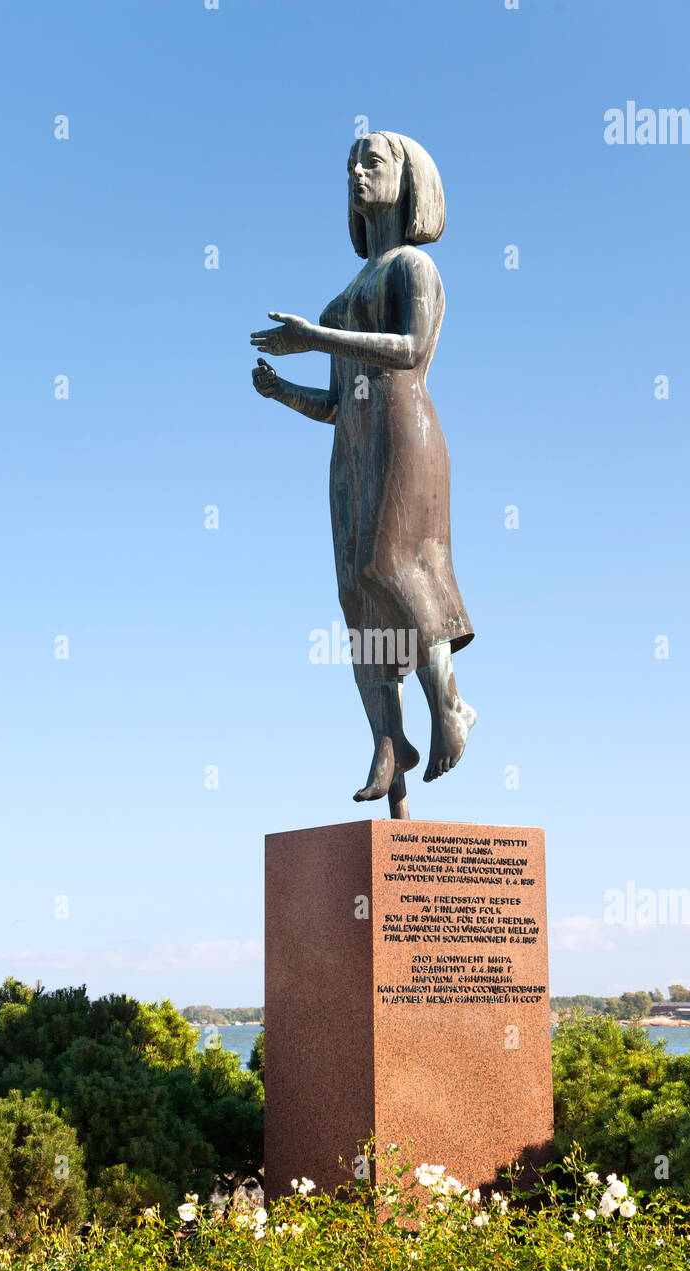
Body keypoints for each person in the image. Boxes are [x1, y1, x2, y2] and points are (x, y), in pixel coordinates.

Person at [251, 131, 475, 814]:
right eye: (349, 165)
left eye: (370, 162)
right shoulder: (345, 292)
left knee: (392, 566)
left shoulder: (413, 268)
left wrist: (314, 336)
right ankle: (389, 745)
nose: (355, 173)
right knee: (357, 599)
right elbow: (334, 400)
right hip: (352, 445)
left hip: (406, 430)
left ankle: (451, 706)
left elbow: (408, 350)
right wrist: (282, 390)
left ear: (407, 179)